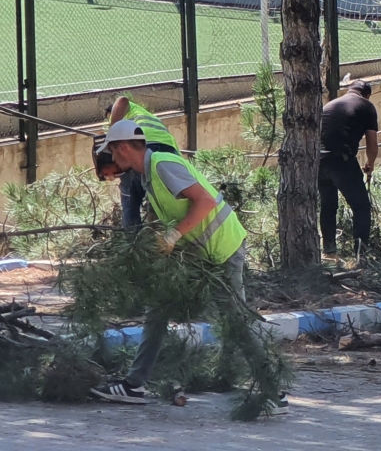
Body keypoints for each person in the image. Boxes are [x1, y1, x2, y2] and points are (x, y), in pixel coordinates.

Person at [87, 118, 275, 411]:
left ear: (122, 146)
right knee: (157, 311)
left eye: (112, 150)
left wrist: (175, 235)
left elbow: (204, 202)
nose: (112, 157)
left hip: (222, 251)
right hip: (198, 254)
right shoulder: (148, 174)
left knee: (235, 322)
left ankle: (273, 391)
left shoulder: (162, 164)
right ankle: (134, 385)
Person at [321, 77, 381, 261]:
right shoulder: (367, 106)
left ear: (349, 90)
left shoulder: (331, 104)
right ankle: (360, 255)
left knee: (328, 206)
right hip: (342, 161)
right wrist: (370, 164)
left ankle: (329, 252)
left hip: (319, 161)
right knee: (361, 206)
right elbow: (372, 144)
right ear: (367, 95)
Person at [95, 96, 177, 229]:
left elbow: (122, 100)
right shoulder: (151, 119)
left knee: (130, 198)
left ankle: (133, 241)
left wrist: (112, 132)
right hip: (168, 152)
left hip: (140, 149)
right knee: (163, 199)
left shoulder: (126, 112)